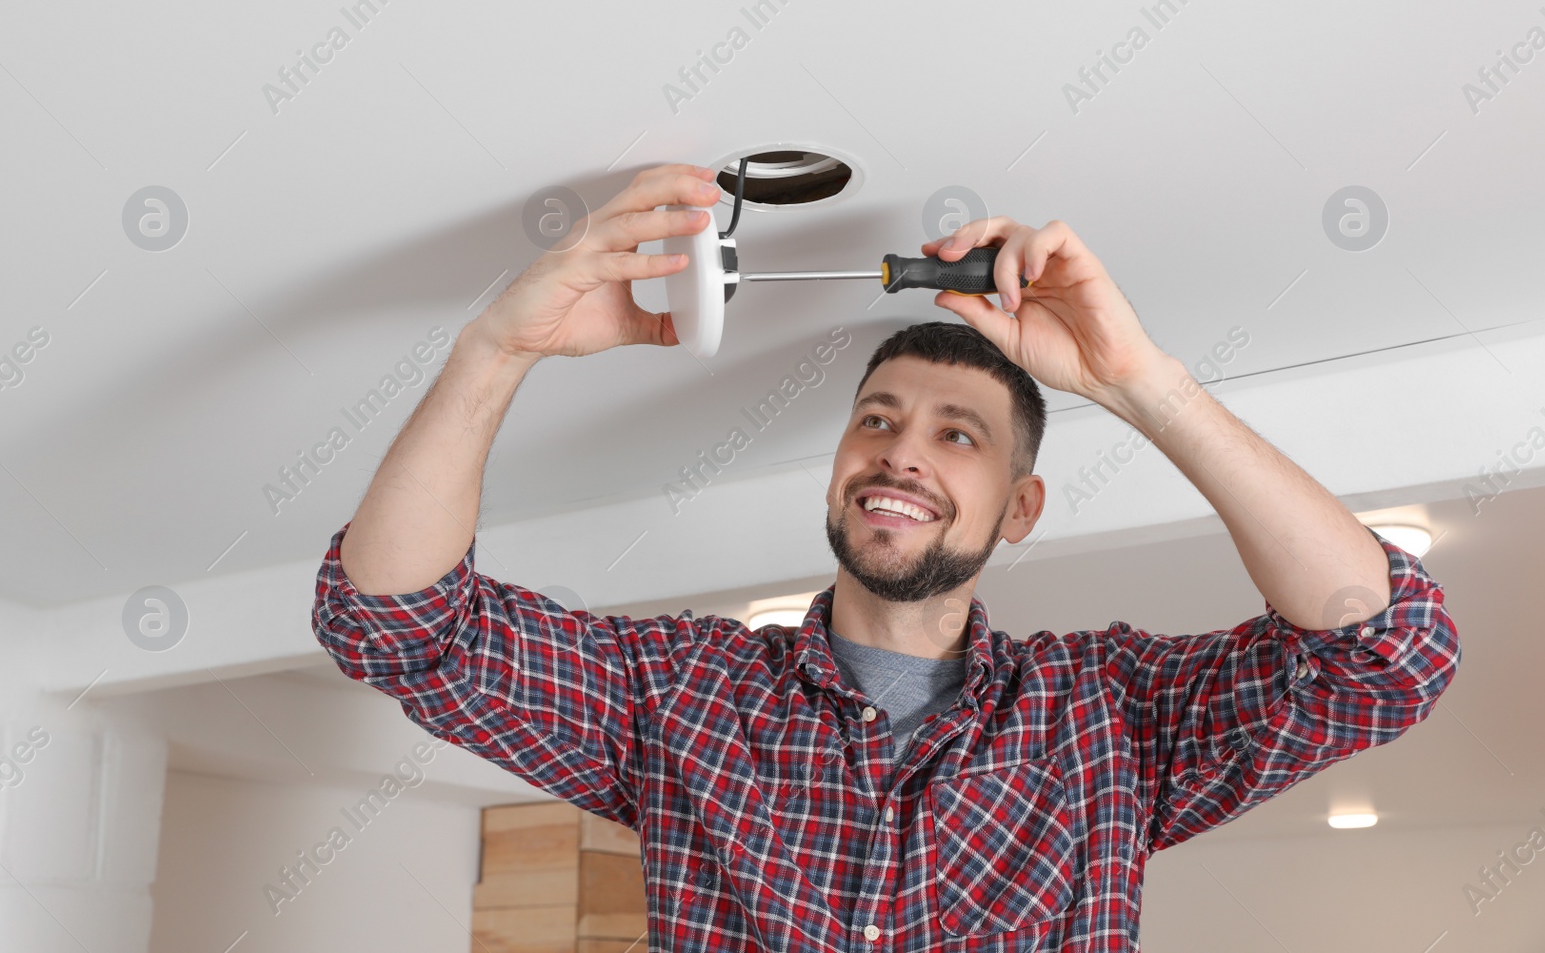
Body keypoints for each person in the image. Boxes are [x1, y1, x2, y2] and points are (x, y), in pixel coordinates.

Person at [312, 163, 1460, 950]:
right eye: (877, 419)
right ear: (835, 474)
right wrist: (495, 345)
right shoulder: (681, 695)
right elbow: (398, 624)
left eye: (956, 435)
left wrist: (1134, 382)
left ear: (1018, 510)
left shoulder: (1107, 716)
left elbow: (1388, 653)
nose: (901, 454)